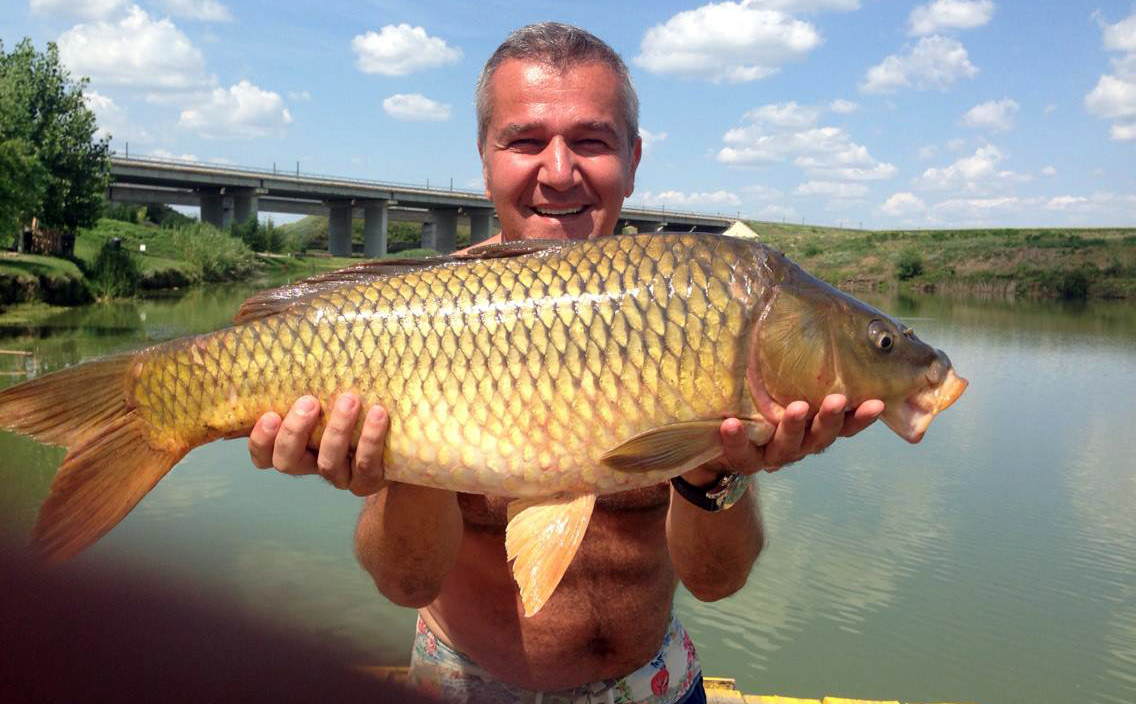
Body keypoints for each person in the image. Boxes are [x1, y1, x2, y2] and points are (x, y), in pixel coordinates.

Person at [247, 22, 883, 704]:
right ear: (486, 157)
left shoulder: (690, 309)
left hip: (654, 682)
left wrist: (711, 468)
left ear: (633, 159)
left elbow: (717, 581)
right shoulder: (423, 317)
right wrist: (407, 469)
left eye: (591, 141)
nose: (558, 171)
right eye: (525, 141)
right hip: (466, 684)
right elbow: (406, 585)